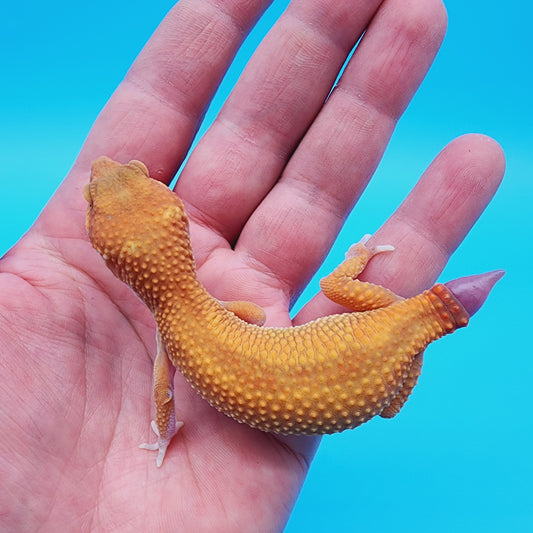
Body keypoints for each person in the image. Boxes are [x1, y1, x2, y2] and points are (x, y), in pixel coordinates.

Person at [0, 1, 504, 531]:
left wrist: (163, 433)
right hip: (365, 371)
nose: (109, 169)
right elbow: (256, 319)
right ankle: (417, 321)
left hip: (369, 389)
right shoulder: (197, 316)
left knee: (390, 394)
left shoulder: (171, 341)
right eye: (99, 201)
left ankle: (420, 328)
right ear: (176, 225)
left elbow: (169, 397)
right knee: (393, 369)